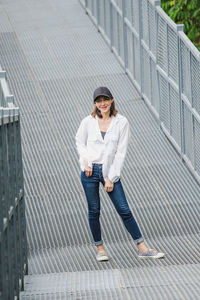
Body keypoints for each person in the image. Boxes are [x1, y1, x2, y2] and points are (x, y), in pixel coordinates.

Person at [75, 86, 165, 262]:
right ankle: (100, 249)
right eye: (99, 101)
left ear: (111, 100)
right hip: (90, 171)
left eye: (105, 100)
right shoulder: (88, 121)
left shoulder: (121, 121)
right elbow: (79, 142)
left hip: (109, 171)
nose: (103, 104)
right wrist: (85, 161)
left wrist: (111, 177)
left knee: (124, 209)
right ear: (95, 103)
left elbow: (121, 152)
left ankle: (142, 248)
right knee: (94, 210)